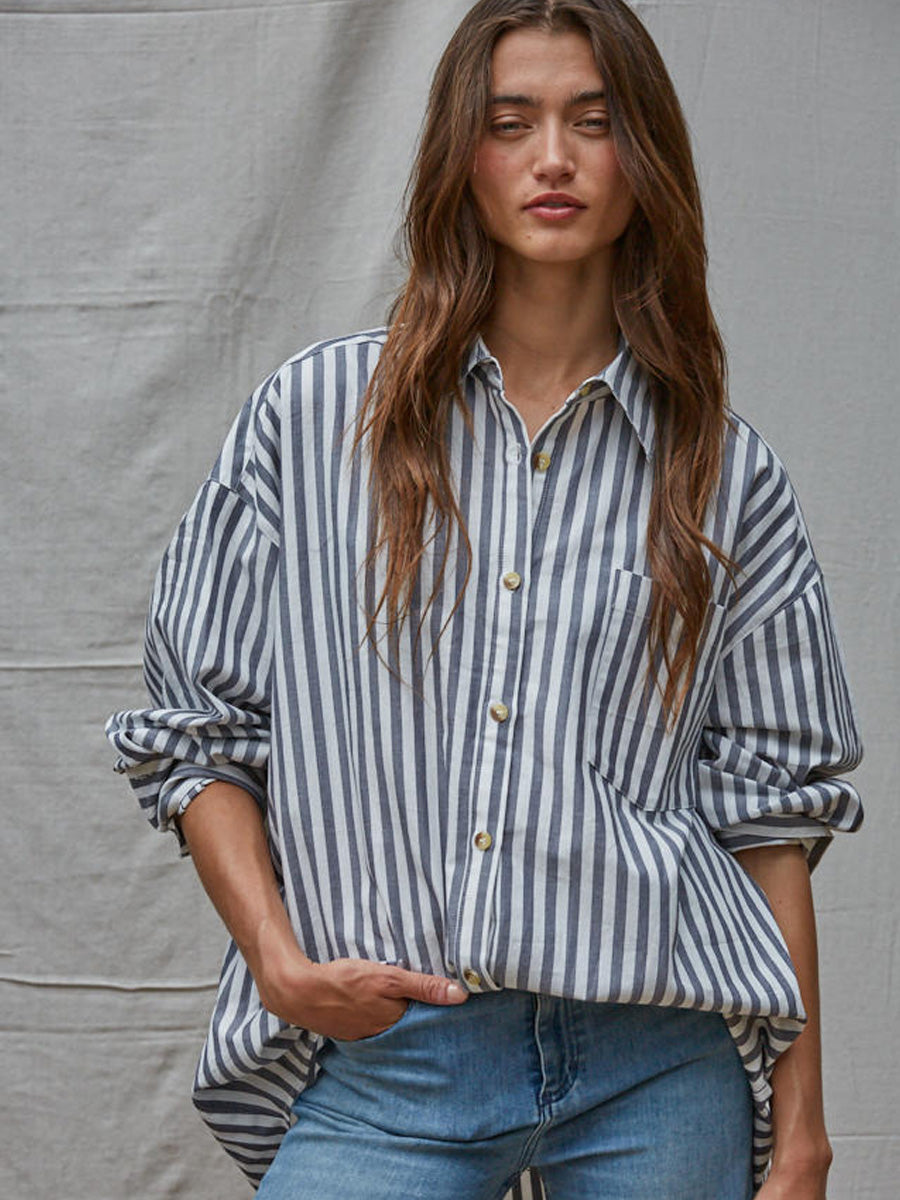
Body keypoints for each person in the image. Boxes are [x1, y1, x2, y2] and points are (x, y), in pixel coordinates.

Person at [106, 1, 863, 1197]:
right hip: (395, 1059)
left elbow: (772, 819)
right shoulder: (315, 424)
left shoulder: (724, 474)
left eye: (593, 122)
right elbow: (195, 732)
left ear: (645, 160)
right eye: (512, 123)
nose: (553, 157)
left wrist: (804, 1131)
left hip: (656, 1060)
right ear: (461, 158)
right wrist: (278, 961)